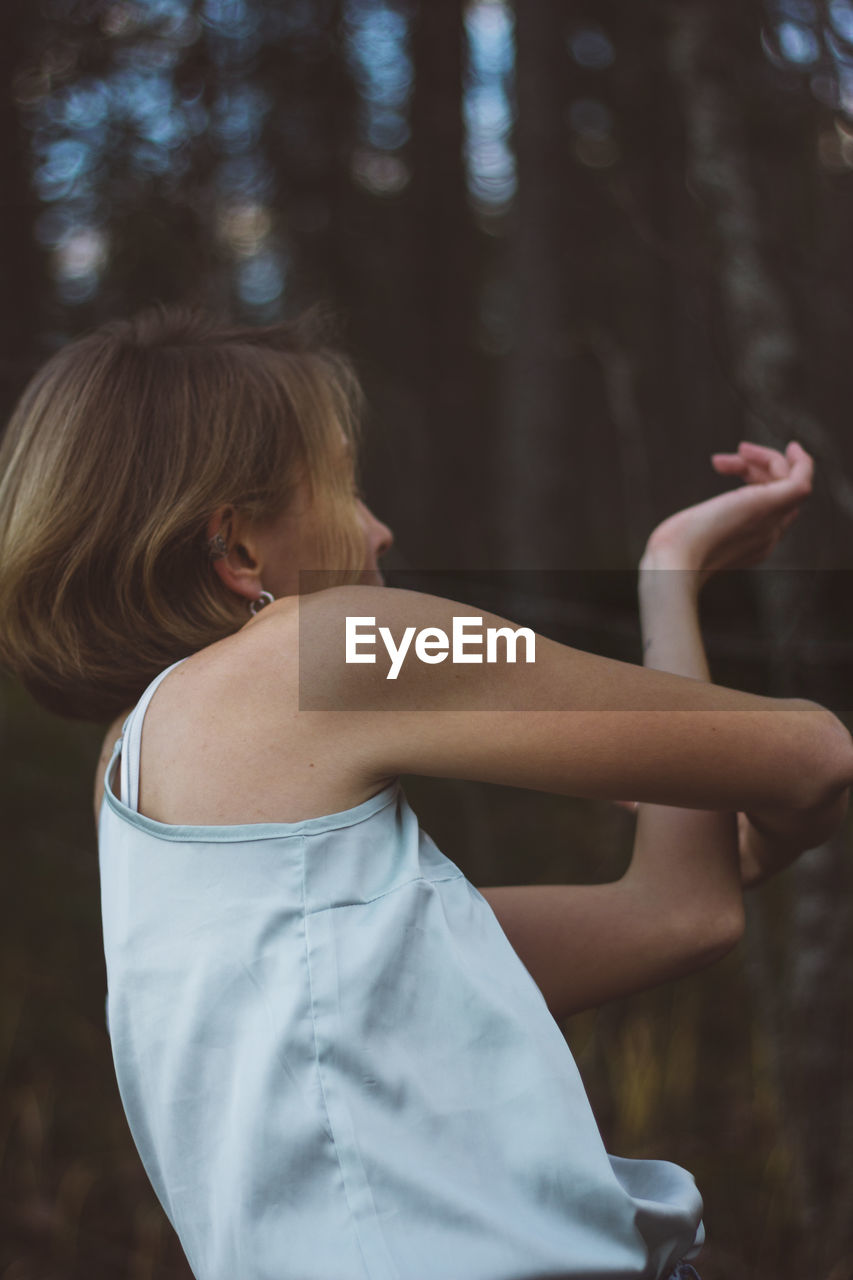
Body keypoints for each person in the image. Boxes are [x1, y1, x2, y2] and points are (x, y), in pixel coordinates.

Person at [0, 306, 849, 1280]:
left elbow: (678, 911)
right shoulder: (324, 649)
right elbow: (812, 751)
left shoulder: (139, 793)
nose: (379, 526)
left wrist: (670, 572)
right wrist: (735, 763)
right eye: (345, 481)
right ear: (236, 551)